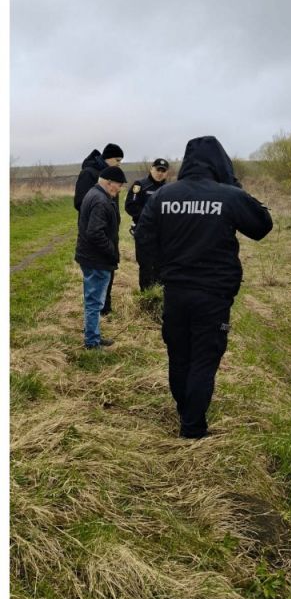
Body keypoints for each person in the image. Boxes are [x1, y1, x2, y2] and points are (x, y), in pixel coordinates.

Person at [135, 136, 273, 439]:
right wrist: (235, 187)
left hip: (175, 292)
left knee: (179, 354)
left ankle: (186, 410)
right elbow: (262, 226)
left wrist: (159, 273)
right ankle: (193, 427)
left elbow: (144, 238)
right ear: (220, 163)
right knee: (203, 359)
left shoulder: (161, 196)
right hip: (213, 295)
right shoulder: (228, 196)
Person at [75, 165, 126, 349]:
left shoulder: (94, 194)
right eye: (119, 185)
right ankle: (92, 342)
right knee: (94, 302)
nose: (119, 189)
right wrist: (111, 251)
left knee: (94, 301)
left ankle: (94, 336)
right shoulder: (100, 200)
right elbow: (95, 233)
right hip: (96, 260)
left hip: (92, 257)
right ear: (109, 182)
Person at [75, 143, 124, 315]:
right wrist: (101, 211)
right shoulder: (89, 174)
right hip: (95, 229)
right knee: (99, 268)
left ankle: (105, 306)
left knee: (109, 267)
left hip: (109, 229)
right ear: (107, 157)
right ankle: (98, 310)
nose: (119, 163)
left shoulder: (114, 177)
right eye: (117, 160)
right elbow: (80, 203)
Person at [125, 158, 170, 290]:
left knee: (162, 266)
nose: (160, 173)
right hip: (144, 233)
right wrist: (149, 218)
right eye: (158, 169)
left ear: (167, 173)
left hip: (163, 235)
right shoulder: (140, 185)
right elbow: (130, 206)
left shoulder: (169, 189)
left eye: (163, 170)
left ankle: (159, 296)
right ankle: (146, 296)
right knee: (146, 266)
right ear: (151, 169)